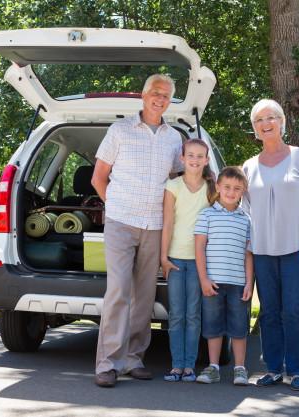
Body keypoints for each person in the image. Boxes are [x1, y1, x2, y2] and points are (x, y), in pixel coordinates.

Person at [91, 74, 183, 388]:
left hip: (155, 226)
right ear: (143, 96)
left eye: (167, 95)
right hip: (120, 222)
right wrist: (115, 206)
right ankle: (107, 363)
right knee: (118, 291)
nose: (161, 99)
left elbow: (178, 183)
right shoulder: (119, 130)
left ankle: (133, 359)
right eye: (156, 93)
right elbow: (98, 177)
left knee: (144, 295)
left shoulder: (174, 138)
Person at [242, 99, 299, 391]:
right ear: (255, 129)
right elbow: (244, 212)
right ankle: (273, 368)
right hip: (262, 251)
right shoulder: (248, 166)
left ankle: (298, 370)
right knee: (270, 312)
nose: (266, 123)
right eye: (259, 120)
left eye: (271, 117)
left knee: (295, 311)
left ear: (282, 122)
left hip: (297, 248)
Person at [160, 139, 216, 382]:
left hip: (198, 261)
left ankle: (189, 366)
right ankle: (176, 365)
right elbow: (168, 222)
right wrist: (163, 257)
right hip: (174, 258)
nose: (194, 160)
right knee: (176, 314)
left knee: (193, 314)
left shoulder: (211, 189)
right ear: (182, 158)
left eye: (200, 156)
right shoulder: (172, 186)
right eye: (190, 155)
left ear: (206, 160)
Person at [194, 166, 254, 386]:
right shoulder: (207, 214)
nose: (231, 192)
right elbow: (199, 248)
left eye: (237, 188)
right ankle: (213, 367)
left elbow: (249, 254)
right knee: (213, 326)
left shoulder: (246, 219)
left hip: (238, 283)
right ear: (218, 187)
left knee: (239, 327)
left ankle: (240, 368)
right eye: (227, 187)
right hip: (213, 283)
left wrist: (249, 282)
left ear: (243, 191)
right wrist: (203, 279)